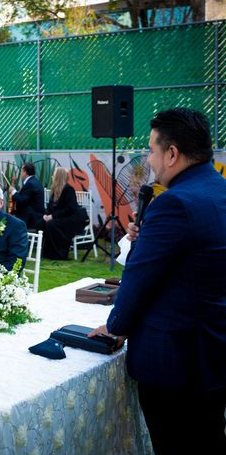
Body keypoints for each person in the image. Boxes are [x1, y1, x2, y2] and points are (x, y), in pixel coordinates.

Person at [89, 108, 226, 454]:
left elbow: (140, 275)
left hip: (176, 361)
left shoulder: (175, 204)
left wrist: (115, 325)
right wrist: (145, 236)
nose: (149, 161)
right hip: (213, 351)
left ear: (173, 153)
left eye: (151, 150)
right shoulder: (218, 191)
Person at [39, 167, 86, 260]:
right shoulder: (54, 189)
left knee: (51, 224)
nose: (52, 176)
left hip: (70, 218)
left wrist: (52, 216)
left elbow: (69, 209)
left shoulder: (69, 189)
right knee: (42, 222)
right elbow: (50, 206)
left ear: (58, 177)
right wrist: (46, 214)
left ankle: (59, 254)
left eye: (54, 174)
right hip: (58, 217)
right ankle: (47, 253)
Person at [11, 162, 45, 229]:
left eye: (21, 170)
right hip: (36, 216)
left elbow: (22, 200)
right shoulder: (35, 181)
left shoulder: (30, 184)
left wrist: (13, 192)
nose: (20, 173)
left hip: (31, 218)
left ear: (25, 172)